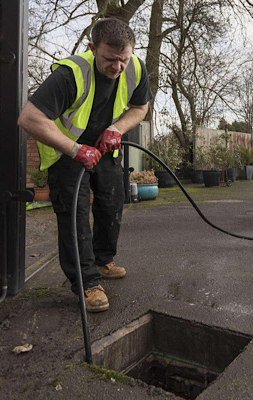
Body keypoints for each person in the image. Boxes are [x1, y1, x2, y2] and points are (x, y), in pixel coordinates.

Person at [18, 18, 152, 312]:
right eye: (109, 59)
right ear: (93, 48)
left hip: (106, 149)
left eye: (123, 59)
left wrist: (117, 128)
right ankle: (86, 283)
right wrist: (75, 149)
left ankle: (103, 261)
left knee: (111, 206)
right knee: (75, 216)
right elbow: (29, 118)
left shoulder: (136, 68)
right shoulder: (71, 74)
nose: (117, 67)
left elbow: (140, 108)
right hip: (67, 152)